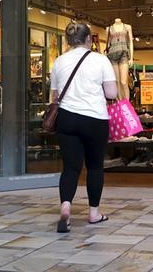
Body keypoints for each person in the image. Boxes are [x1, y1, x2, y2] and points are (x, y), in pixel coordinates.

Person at [51, 21, 117, 233]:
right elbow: (111, 94)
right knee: (95, 166)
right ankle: (94, 213)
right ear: (89, 39)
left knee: (70, 167)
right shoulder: (100, 60)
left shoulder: (59, 61)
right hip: (94, 119)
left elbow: (54, 96)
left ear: (68, 40)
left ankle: (65, 208)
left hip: (66, 118)